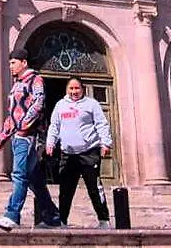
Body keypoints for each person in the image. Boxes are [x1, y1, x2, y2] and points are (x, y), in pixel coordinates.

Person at [0, 49, 62, 231]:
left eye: (13, 63)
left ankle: (12, 214)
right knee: (35, 180)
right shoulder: (16, 84)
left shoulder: (35, 79)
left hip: (29, 135)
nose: (10, 66)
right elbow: (13, 113)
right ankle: (53, 217)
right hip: (18, 136)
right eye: (9, 63)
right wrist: (3, 136)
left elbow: (38, 103)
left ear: (24, 63)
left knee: (19, 173)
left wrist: (25, 126)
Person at [46, 77, 112, 228]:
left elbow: (101, 124)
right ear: (66, 90)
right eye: (71, 88)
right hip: (68, 154)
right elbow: (54, 126)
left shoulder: (91, 104)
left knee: (94, 188)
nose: (74, 92)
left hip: (89, 152)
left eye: (77, 88)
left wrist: (105, 142)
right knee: (66, 190)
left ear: (82, 89)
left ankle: (104, 220)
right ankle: (62, 220)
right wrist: (50, 143)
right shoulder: (60, 105)